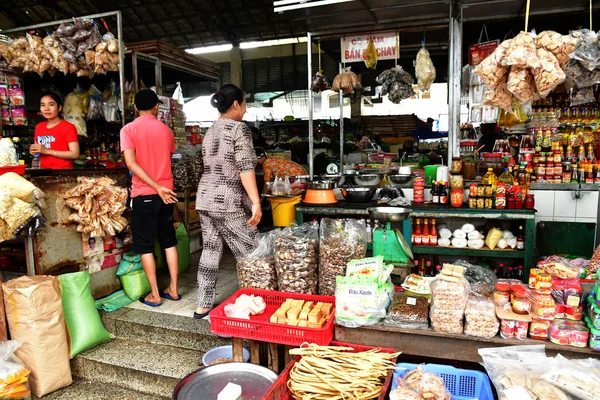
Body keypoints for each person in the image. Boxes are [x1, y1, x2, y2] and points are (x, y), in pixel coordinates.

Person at [195, 84, 262, 319]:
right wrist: (256, 201)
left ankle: (203, 305)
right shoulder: (238, 129)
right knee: (252, 252)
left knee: (210, 251)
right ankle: (260, 300)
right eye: (244, 103)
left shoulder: (210, 130)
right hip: (227, 201)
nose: (245, 109)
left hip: (204, 198)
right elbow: (245, 168)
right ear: (235, 104)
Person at [120, 89, 180, 307]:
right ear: (157, 106)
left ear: (135, 107)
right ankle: (173, 289)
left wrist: (154, 186)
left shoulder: (128, 130)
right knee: (168, 240)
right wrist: (162, 187)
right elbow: (166, 159)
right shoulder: (167, 131)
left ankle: (155, 293)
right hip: (167, 194)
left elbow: (131, 164)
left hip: (144, 195)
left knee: (145, 245)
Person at [30, 92, 80, 169]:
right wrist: (34, 150)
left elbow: (75, 154)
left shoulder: (68, 127)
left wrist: (47, 151)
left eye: (51, 104)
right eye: (43, 105)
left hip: (64, 173)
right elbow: (37, 150)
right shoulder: (39, 127)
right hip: (44, 172)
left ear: (59, 108)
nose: (46, 109)